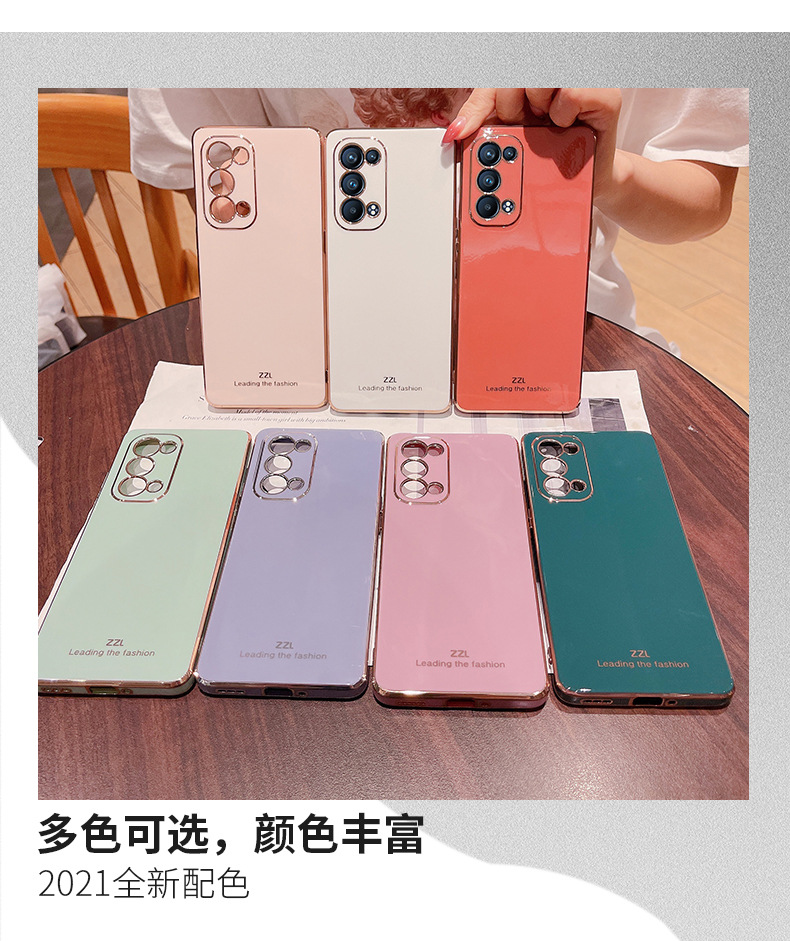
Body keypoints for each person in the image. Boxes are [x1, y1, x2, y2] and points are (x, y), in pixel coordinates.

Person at [129, 87, 749, 349]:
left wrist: (608, 176)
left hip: (562, 327)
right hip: (324, 332)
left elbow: (705, 191)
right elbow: (213, 185)